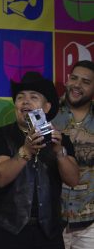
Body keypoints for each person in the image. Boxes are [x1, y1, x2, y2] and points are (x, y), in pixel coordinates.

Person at [0, 71, 80, 249]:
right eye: (21, 97)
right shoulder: (1, 136)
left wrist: (59, 151)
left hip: (48, 234)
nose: (25, 101)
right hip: (7, 233)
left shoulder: (61, 139)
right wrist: (26, 151)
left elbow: (73, 179)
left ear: (46, 107)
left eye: (33, 97)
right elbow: (0, 178)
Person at [52, 60, 94, 249]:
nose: (77, 84)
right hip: (52, 220)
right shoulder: (48, 113)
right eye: (74, 78)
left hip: (90, 224)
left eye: (86, 81)